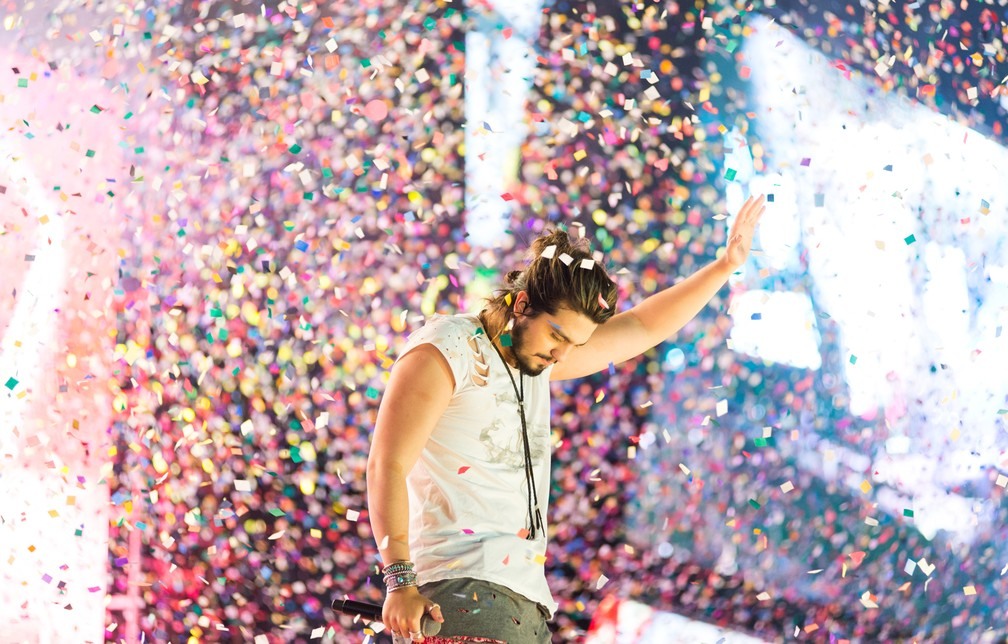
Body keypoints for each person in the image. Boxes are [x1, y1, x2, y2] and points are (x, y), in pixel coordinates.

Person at [366, 195, 766, 642]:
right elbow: (388, 464)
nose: (561, 354)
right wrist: (399, 581)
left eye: (573, 345)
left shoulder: (535, 361)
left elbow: (641, 327)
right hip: (459, 591)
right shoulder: (446, 348)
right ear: (521, 305)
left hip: (527, 602)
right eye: (557, 335)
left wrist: (724, 266)